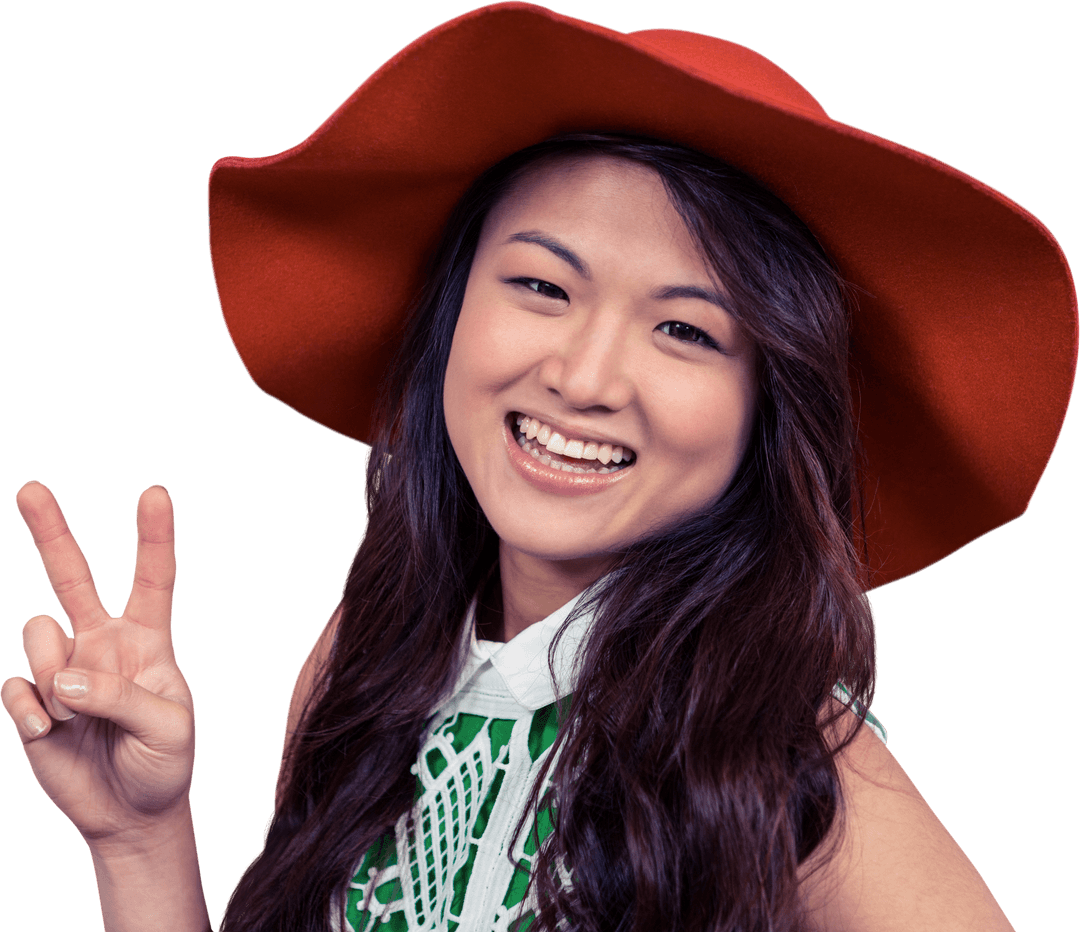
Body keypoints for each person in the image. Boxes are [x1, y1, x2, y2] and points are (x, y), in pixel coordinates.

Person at [3, 4, 1075, 931]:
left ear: (769, 407)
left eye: (688, 331)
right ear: (451, 317)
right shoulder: (368, 667)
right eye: (542, 287)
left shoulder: (795, 753)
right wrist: (138, 839)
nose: (586, 374)